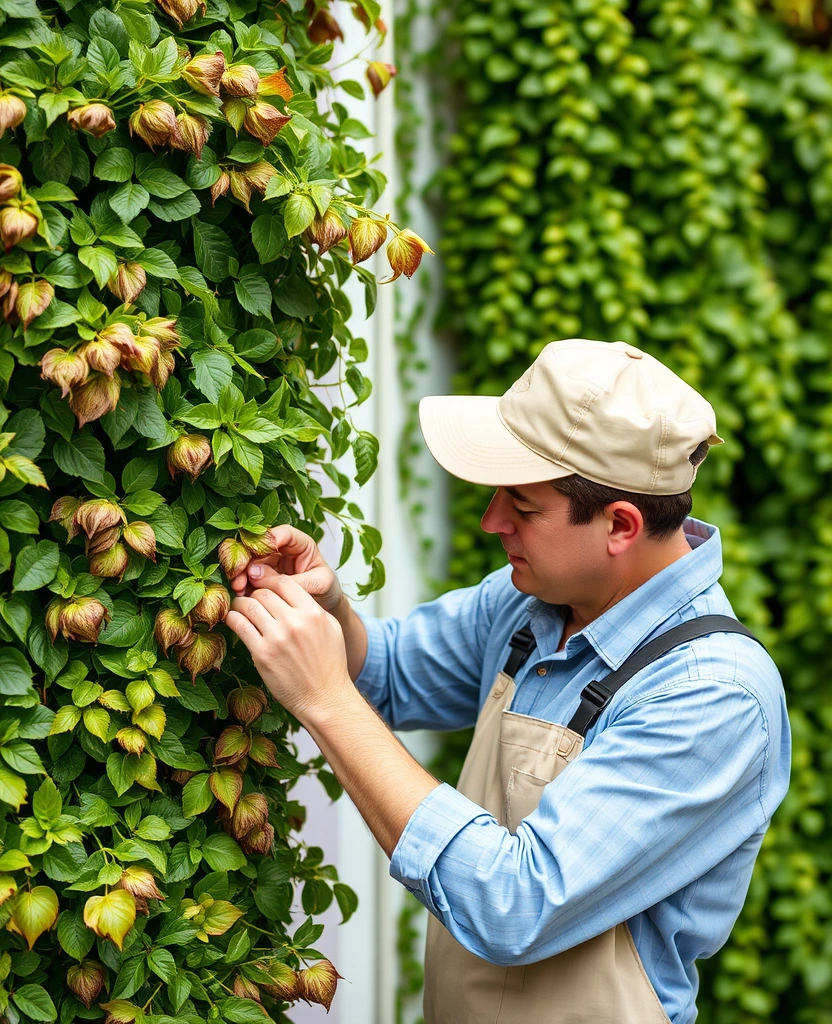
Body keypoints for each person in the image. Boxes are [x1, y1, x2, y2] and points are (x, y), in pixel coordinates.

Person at [225, 338, 790, 1024]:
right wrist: (328, 611)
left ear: (620, 525)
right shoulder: (531, 601)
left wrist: (324, 702)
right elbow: (391, 673)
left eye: (522, 507)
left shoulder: (710, 694)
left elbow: (513, 904)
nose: (493, 521)